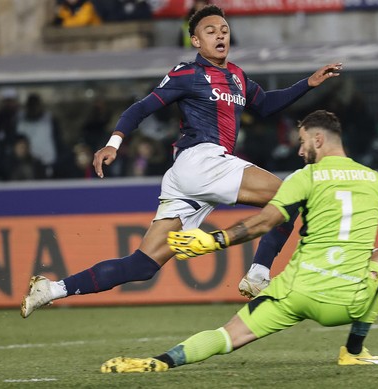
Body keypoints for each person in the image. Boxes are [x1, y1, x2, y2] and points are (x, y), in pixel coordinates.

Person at [99, 110, 378, 373]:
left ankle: (159, 362)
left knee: (227, 337)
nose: (299, 148)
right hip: (346, 302)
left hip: (294, 293)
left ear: (319, 141)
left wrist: (213, 240)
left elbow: (261, 223)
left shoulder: (304, 179)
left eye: (303, 141)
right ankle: (353, 351)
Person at [20, 5, 342, 318]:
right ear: (196, 41)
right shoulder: (188, 73)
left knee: (142, 265)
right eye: (211, 31)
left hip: (193, 176)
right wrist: (113, 143)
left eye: (225, 30)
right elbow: (141, 107)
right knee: (289, 196)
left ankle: (52, 289)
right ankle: (258, 274)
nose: (220, 36)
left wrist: (307, 84)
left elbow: (267, 104)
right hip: (200, 161)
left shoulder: (238, 78)